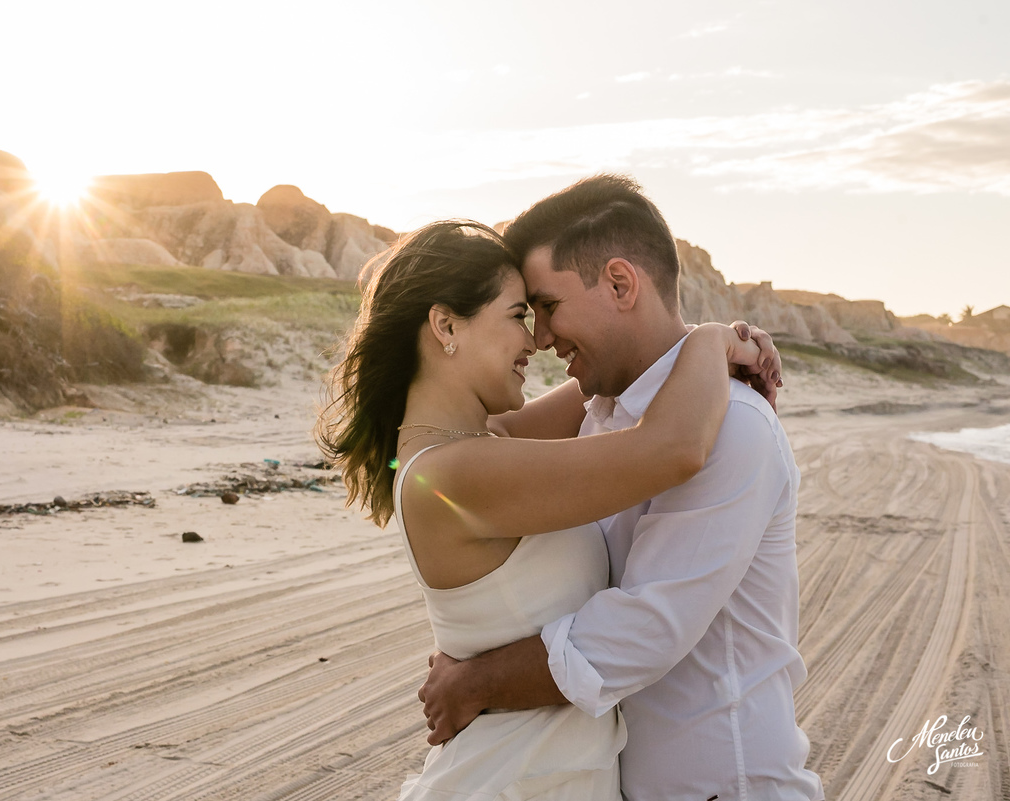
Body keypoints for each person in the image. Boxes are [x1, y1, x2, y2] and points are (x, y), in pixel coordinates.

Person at [316, 214, 780, 799]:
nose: (535, 340)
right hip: (515, 778)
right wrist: (710, 341)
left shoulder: (476, 448)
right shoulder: (455, 475)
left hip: (540, 772)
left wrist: (694, 350)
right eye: (517, 315)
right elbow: (671, 448)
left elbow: (617, 378)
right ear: (445, 325)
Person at [417, 175, 824, 800]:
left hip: (721, 784)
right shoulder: (604, 413)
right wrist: (710, 341)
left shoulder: (734, 424)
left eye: (547, 306)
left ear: (619, 284)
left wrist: (476, 681)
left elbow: (640, 632)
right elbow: (473, 440)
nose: (540, 338)